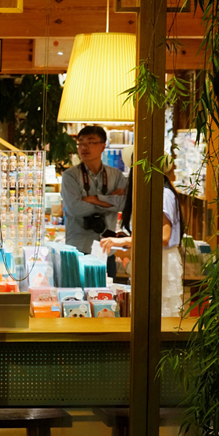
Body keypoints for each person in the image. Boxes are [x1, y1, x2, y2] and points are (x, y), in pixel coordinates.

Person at [100, 158, 185, 317]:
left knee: (160, 313)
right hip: (153, 260)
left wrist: (126, 240)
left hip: (161, 262)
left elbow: (163, 238)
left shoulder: (162, 194)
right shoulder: (152, 194)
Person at [61, 126, 127, 256]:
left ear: (103, 146)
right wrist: (109, 202)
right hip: (78, 249)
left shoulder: (116, 175)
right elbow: (75, 208)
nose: (84, 147)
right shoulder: (70, 175)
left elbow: (123, 204)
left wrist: (95, 199)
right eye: (80, 143)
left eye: (90, 142)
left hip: (107, 250)